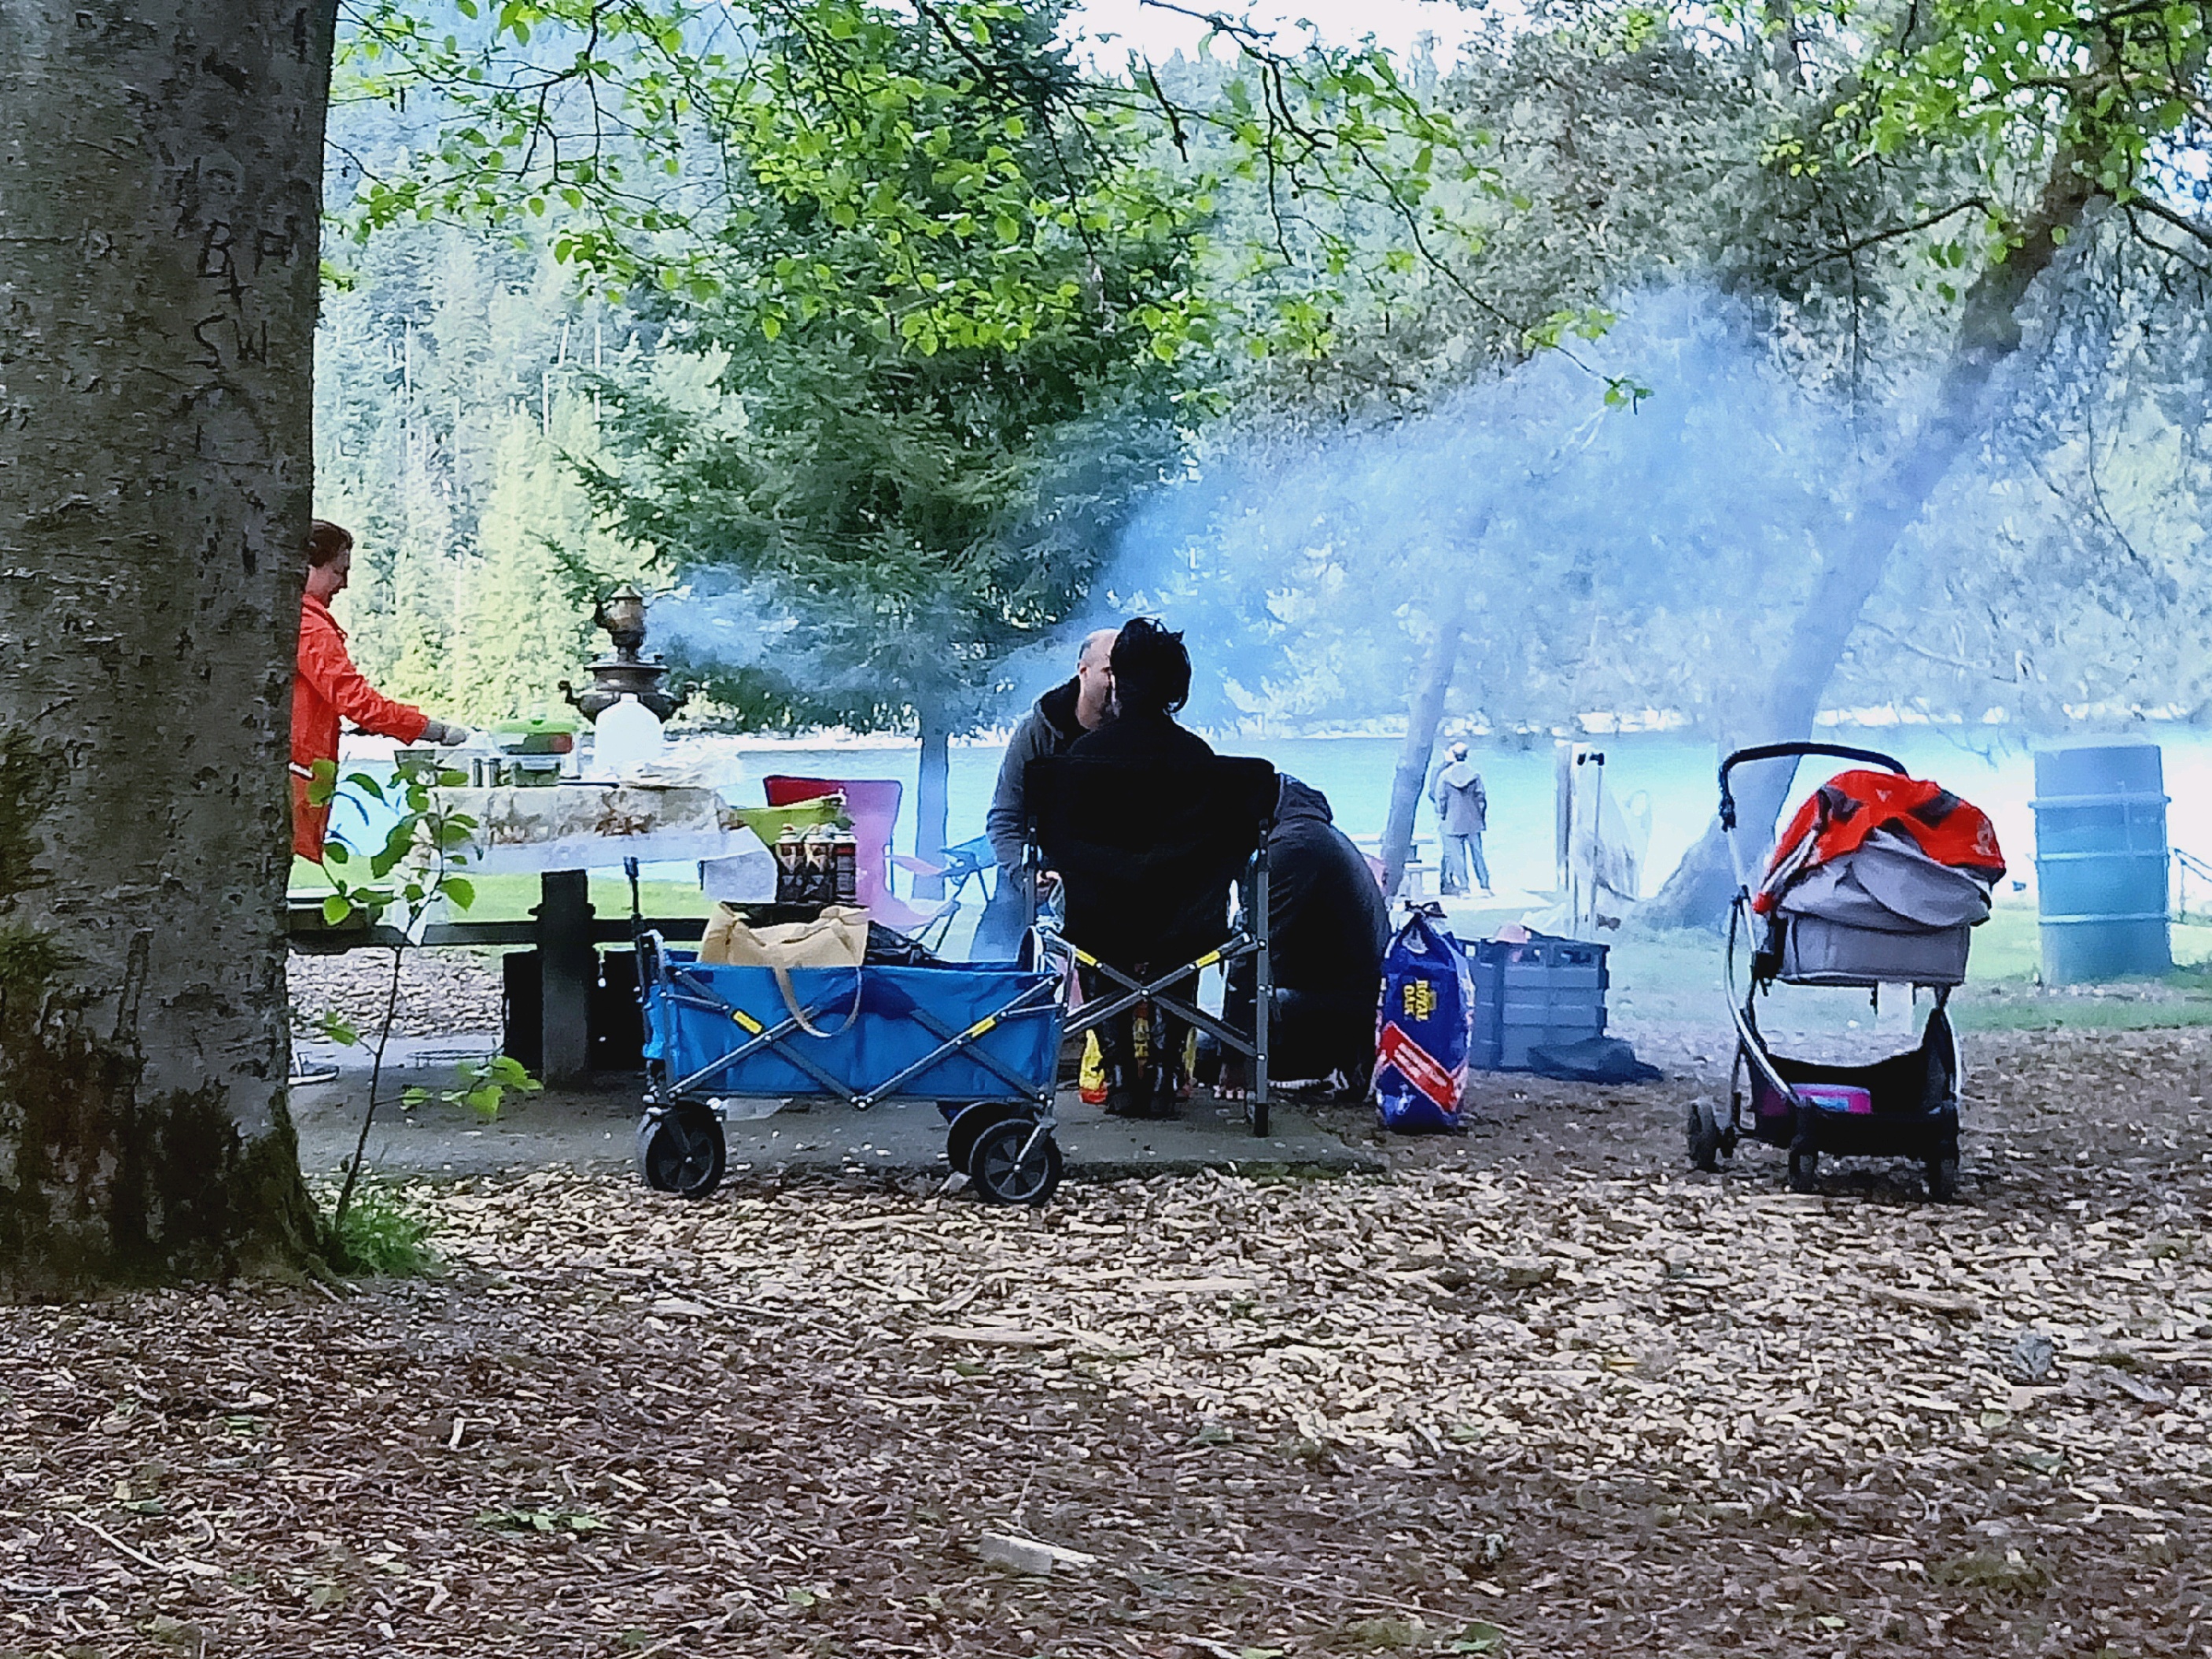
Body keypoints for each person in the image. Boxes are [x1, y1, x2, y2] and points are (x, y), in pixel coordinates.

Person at [1068, 618, 1214, 1116]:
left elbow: (1060, 847)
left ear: (1117, 681)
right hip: (1188, 930)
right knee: (1182, 938)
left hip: (1099, 925)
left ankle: (1120, 1074)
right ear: (1178, 688)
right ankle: (1168, 1069)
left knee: (1101, 934)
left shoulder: (1082, 759)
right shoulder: (1200, 761)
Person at [1199, 774, 1391, 1097]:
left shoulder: (1293, 849)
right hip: (1348, 1002)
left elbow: (1250, 947)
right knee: (1209, 1038)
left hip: (1336, 1012)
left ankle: (1322, 1065)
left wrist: (1234, 1059)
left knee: (1199, 1053)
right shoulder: (1314, 834)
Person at [291, 520, 471, 862]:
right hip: (296, 776)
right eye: (338, 571)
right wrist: (435, 731)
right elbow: (356, 701)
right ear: (307, 565)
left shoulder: (295, 619)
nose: (343, 584)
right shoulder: (309, 625)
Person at [971, 627, 1118, 960]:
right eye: (1110, 671)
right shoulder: (1037, 731)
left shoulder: (1140, 733)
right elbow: (1005, 818)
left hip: (1108, 878)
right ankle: (988, 993)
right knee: (998, 931)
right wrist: (1026, 874)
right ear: (1083, 670)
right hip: (1039, 867)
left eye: (1126, 672)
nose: (1118, 682)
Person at [1430, 740, 1491, 897]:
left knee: (1458, 857)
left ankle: (1464, 887)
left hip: (1452, 821)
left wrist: (1443, 815)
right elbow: (1481, 798)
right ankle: (1485, 885)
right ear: (1467, 755)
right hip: (1473, 821)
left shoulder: (1445, 776)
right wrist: (1481, 817)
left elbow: (1440, 798)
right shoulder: (1475, 775)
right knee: (1478, 854)